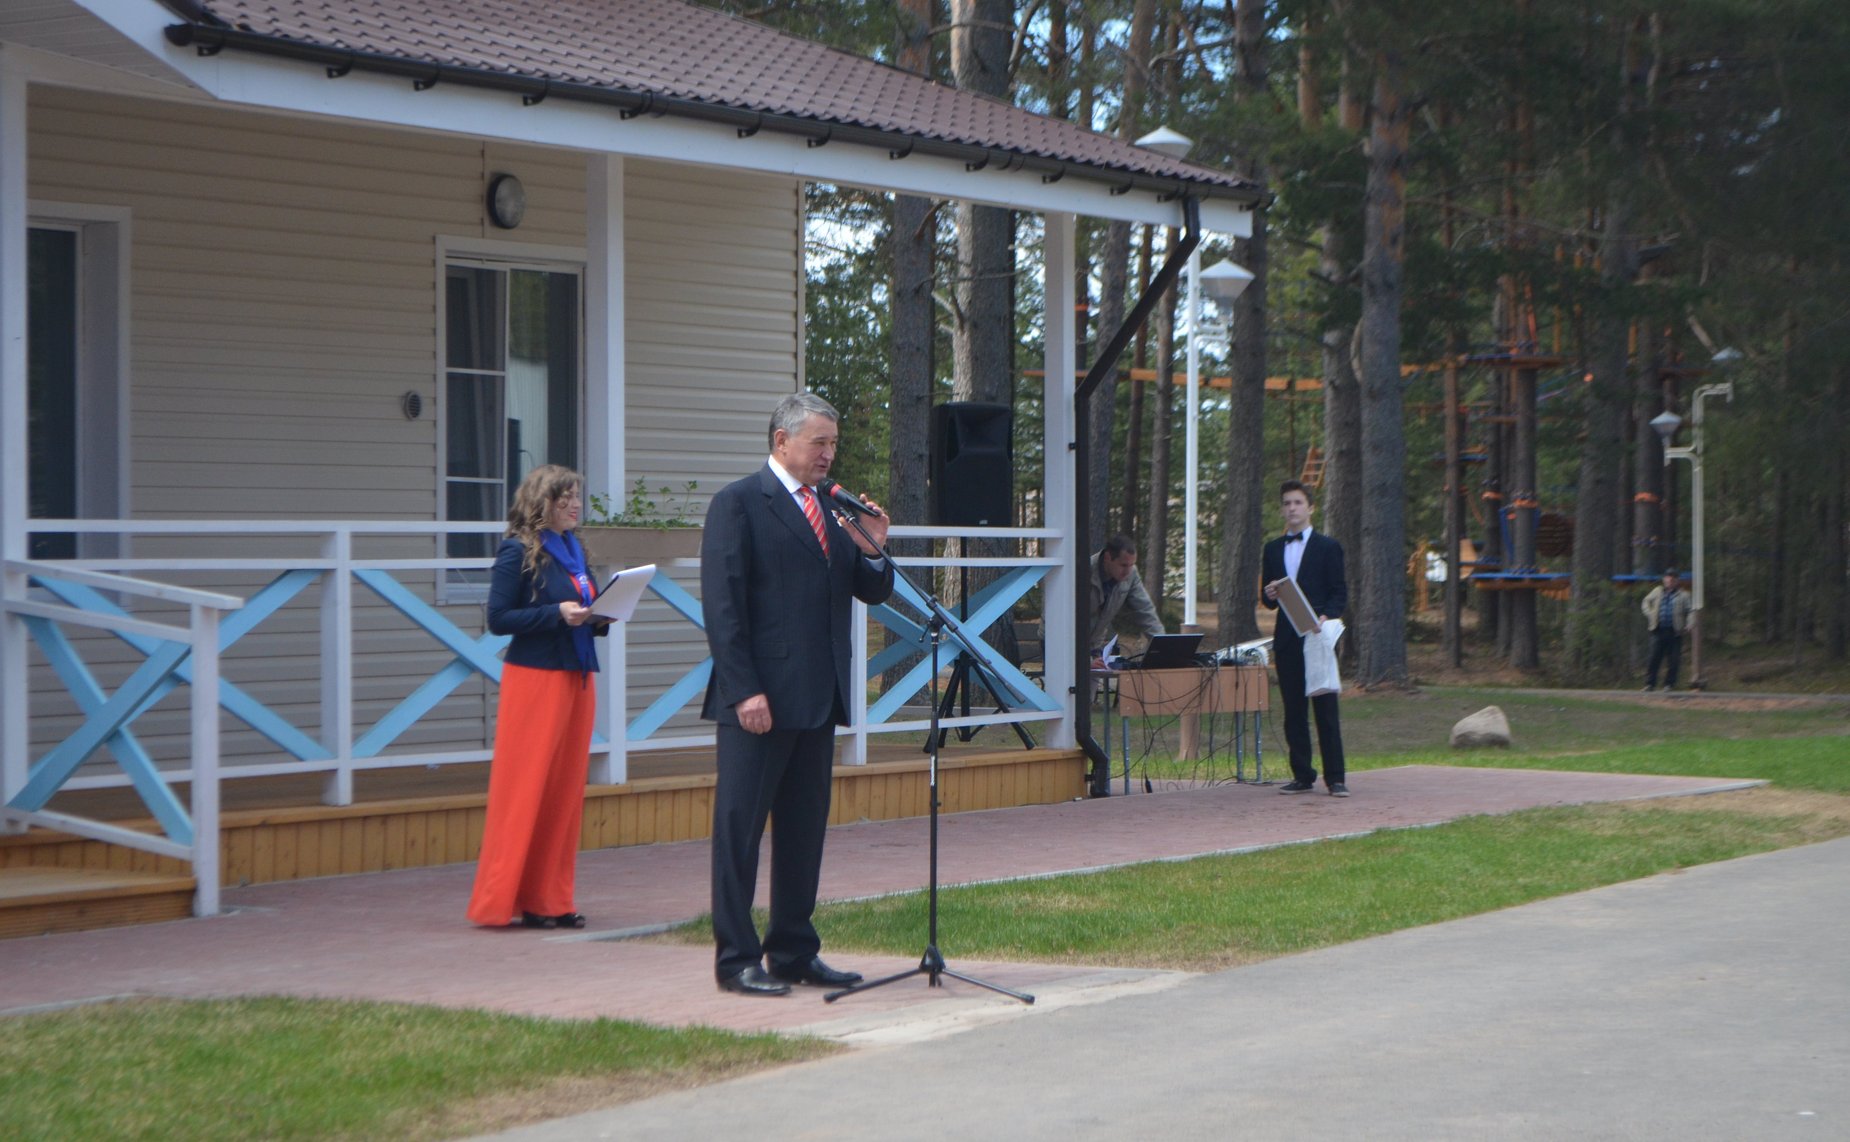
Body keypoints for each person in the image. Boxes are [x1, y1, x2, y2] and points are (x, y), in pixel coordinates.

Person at [701, 392, 894, 997]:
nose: (828, 455)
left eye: (833, 444)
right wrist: (743, 690)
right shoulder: (738, 504)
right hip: (759, 701)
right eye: (819, 443)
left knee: (804, 832)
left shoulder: (833, 512)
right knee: (740, 831)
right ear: (782, 442)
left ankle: (792, 950)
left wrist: (875, 549)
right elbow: (724, 608)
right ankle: (735, 959)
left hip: (818, 697)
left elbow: (870, 592)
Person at [467, 464, 608, 929]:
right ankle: (499, 899)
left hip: (577, 675)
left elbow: (580, 607)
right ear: (539, 503)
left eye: (575, 498)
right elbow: (500, 618)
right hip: (535, 680)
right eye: (563, 498)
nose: (573, 505)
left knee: (563, 796)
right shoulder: (516, 552)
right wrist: (555, 614)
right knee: (524, 790)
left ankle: (550, 900)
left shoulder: (574, 550)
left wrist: (601, 615)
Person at [1261, 480, 1349, 797]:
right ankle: (1302, 774)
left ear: (1310, 507)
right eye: (1286, 503)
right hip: (1287, 638)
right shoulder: (1272, 549)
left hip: (1318, 636)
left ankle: (1336, 777)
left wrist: (1326, 616)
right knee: (1293, 710)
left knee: (1325, 708)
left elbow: (1339, 592)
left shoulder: (1328, 547)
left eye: (1297, 502)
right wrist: (1269, 593)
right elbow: (1269, 600)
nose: (1292, 508)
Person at [1088, 534, 1165, 665]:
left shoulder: (1131, 574)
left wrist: (1163, 646)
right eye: (1123, 565)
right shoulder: (1084, 572)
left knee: (1091, 683)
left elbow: (1145, 611)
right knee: (1064, 684)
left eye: (1131, 565)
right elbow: (1068, 620)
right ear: (1108, 558)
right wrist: (1085, 662)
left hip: (1093, 645)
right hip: (1060, 642)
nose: (1127, 571)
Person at [1641, 569, 1692, 691]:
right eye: (1668, 578)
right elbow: (1646, 601)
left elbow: (1690, 610)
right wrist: (1650, 613)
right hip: (1657, 630)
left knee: (1673, 660)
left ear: (1677, 581)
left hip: (1674, 631)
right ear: (1664, 579)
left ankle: (1669, 684)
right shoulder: (1657, 591)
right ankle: (1649, 684)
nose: (1670, 580)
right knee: (1654, 658)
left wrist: (1689, 623)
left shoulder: (1683, 595)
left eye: (1673, 579)